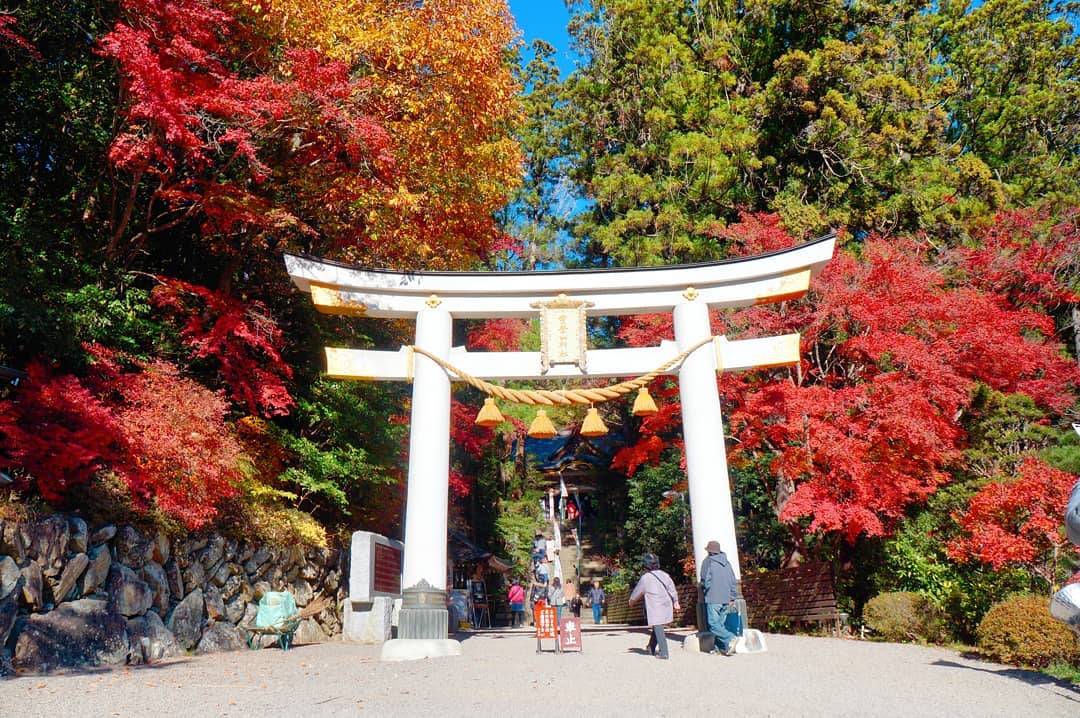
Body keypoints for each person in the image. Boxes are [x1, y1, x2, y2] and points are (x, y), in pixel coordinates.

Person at [629, 553, 680, 659]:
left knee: (657, 625)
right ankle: (651, 647)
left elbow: (637, 592)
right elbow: (672, 589)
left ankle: (664, 652)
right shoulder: (665, 575)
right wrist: (676, 602)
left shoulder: (645, 578)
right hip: (666, 604)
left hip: (655, 605)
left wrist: (632, 601)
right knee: (658, 625)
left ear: (646, 565)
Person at [700, 540, 739, 656]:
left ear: (709, 551)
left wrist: (705, 590)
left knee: (713, 625)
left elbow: (705, 580)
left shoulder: (708, 562)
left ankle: (730, 638)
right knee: (720, 625)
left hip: (713, 596)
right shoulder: (727, 563)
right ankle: (719, 649)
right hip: (727, 597)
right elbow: (733, 580)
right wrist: (732, 597)